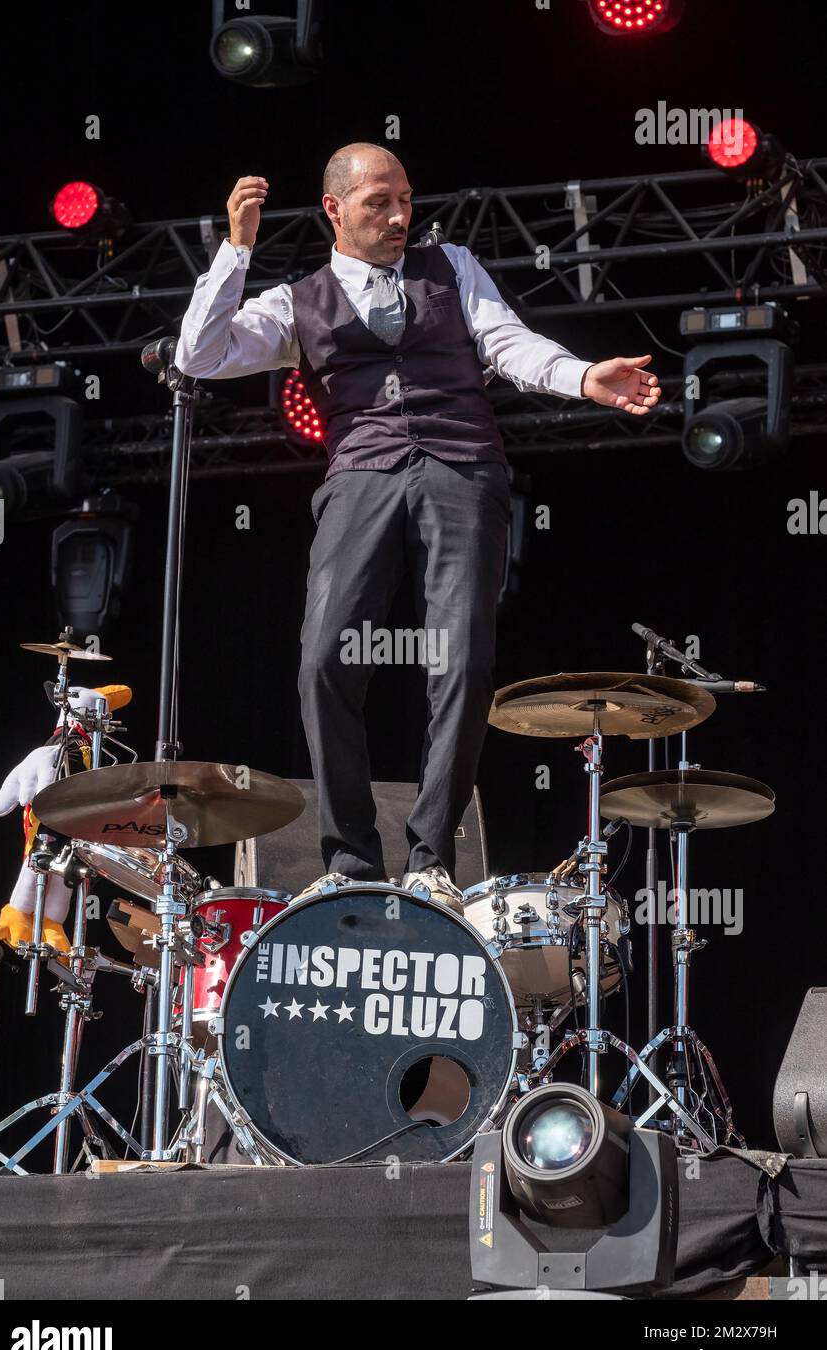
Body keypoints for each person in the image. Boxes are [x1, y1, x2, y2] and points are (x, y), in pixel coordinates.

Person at [176, 143, 661, 908]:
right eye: (380, 202)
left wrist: (581, 376)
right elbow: (200, 356)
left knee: (460, 662)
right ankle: (349, 859)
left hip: (465, 470)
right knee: (323, 662)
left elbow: (510, 345)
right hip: (361, 475)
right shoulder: (295, 299)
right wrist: (235, 253)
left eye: (405, 199)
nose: (401, 216)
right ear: (334, 208)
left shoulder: (453, 265)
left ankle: (432, 856)